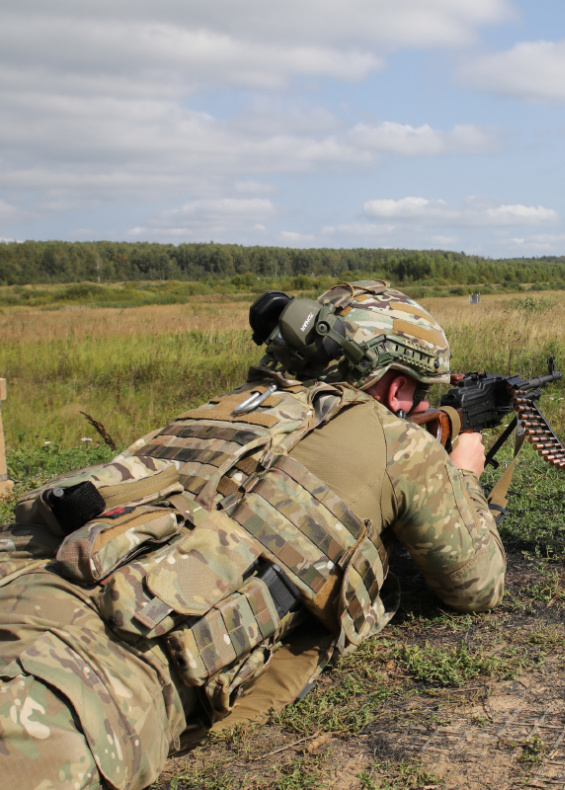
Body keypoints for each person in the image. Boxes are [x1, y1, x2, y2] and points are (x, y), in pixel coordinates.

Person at [0, 280, 505, 790]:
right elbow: (476, 585)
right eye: (419, 391)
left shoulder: (226, 409)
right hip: (97, 674)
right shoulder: (397, 440)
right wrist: (463, 474)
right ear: (396, 388)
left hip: (24, 584)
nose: (418, 402)